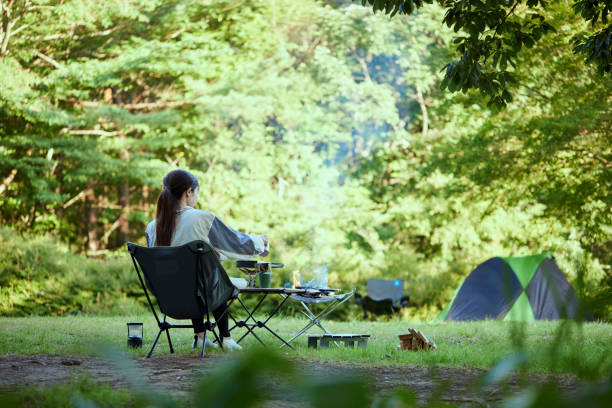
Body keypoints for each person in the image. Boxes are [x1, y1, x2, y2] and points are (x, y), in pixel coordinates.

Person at [145, 169, 269, 352]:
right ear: (189, 192)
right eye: (196, 193)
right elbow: (235, 243)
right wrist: (260, 240)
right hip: (201, 294)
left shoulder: (152, 227)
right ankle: (225, 338)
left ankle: (200, 336)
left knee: (197, 273)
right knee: (211, 275)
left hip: (169, 298)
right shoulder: (201, 218)